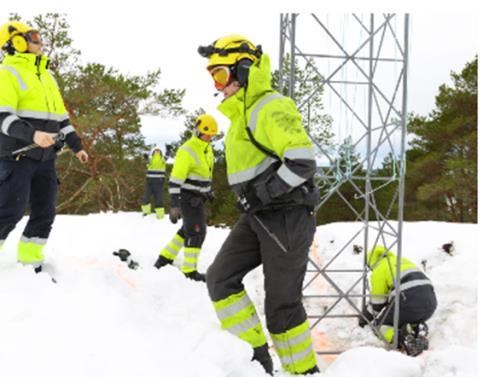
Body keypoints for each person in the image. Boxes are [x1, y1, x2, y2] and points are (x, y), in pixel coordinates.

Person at [198, 35, 320, 375]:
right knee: (220, 279)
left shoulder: (271, 106)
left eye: (220, 75)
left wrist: (261, 194)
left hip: (286, 215)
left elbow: (302, 162)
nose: (216, 85)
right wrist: (255, 200)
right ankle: (256, 359)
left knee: (282, 306)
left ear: (245, 69)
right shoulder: (242, 115)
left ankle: (303, 371)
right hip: (258, 215)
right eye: (212, 77)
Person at [0, 21, 88, 272]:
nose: (39, 40)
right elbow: (2, 118)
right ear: (16, 42)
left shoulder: (47, 76)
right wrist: (33, 135)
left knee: (45, 213)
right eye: (33, 36)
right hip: (17, 158)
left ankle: (30, 264)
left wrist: (77, 146)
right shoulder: (6, 73)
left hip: (46, 159)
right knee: (9, 213)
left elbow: (61, 119)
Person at [153, 114, 217, 282]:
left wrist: (208, 191)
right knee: (197, 233)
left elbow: (205, 173)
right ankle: (189, 271)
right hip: (187, 198)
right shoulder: (187, 150)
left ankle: (164, 258)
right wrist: (174, 204)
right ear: (197, 131)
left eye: (212, 135)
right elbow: (175, 179)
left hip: (198, 198)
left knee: (187, 230)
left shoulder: (207, 148)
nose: (209, 138)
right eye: (206, 134)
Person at [359, 245, 438, 356]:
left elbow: (377, 302)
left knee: (380, 326)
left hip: (409, 299)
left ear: (371, 262)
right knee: (407, 317)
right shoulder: (403, 260)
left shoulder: (379, 270)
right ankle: (418, 329)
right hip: (430, 301)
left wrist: (365, 317)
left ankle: (404, 340)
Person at [141, 146, 166, 219]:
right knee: (146, 198)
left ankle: (160, 215)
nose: (157, 152)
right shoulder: (150, 159)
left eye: (158, 150)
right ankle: (146, 212)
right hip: (150, 182)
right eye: (156, 150)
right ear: (153, 152)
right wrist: (145, 158)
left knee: (159, 199)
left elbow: (166, 158)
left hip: (159, 182)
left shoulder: (162, 159)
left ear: (160, 152)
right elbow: (147, 162)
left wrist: (168, 151)